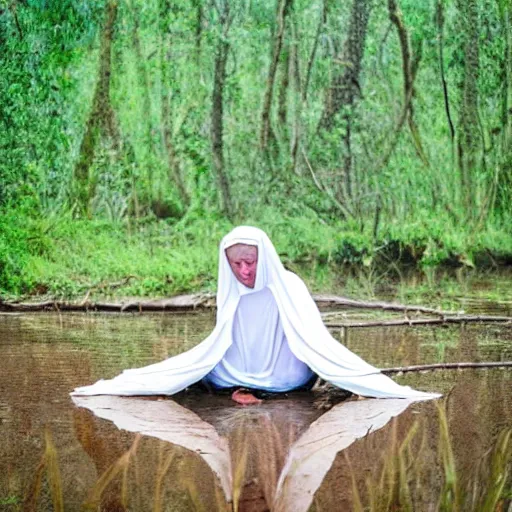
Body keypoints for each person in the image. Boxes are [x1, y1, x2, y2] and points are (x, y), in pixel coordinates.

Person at [72, 226, 440, 401]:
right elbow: (226, 339)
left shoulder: (288, 285)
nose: (244, 272)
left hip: (283, 374)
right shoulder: (230, 288)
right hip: (237, 369)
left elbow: (314, 342)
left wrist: (353, 378)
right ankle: (238, 387)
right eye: (236, 264)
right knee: (190, 370)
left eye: (250, 262)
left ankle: (249, 388)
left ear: (264, 258)